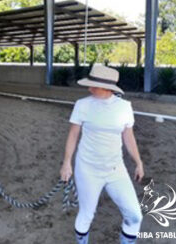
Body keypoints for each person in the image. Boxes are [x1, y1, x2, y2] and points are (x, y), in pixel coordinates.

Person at [59, 65, 144, 244]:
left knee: (135, 215)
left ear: (107, 88)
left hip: (115, 169)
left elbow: (129, 137)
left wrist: (138, 162)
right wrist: (67, 162)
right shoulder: (82, 105)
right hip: (87, 168)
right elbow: (73, 134)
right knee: (86, 214)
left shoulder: (124, 107)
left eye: (93, 85)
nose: (89, 88)